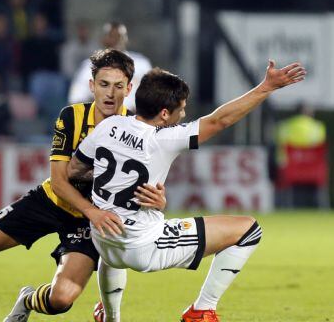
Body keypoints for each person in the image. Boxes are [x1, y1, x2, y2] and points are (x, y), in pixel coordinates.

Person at [0, 49, 167, 321]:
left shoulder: (141, 129)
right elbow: (59, 180)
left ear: (130, 89)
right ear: (92, 86)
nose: (110, 94)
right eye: (103, 85)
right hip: (51, 202)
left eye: (118, 86)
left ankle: (27, 299)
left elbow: (150, 186)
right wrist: (93, 210)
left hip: (87, 226)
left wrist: (160, 202)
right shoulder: (72, 117)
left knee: (61, 300)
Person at [67, 61, 305, 322]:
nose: (184, 113)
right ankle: (202, 310)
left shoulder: (108, 126)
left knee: (113, 246)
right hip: (143, 246)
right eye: (182, 109)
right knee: (249, 230)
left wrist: (114, 190)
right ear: (165, 114)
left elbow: (75, 170)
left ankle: (110, 317)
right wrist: (266, 87)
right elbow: (220, 120)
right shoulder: (163, 139)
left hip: (102, 238)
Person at [68, 21, 152, 113]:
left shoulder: (141, 63)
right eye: (111, 36)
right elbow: (76, 99)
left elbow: (152, 94)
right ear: (103, 39)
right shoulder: (89, 66)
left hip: (136, 118)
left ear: (126, 39)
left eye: (119, 36)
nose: (116, 40)